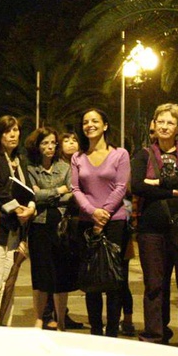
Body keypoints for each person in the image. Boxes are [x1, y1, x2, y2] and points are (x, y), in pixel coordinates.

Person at [131, 103, 178, 346]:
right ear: (154, 124)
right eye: (160, 121)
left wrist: (156, 183)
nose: (164, 126)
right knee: (154, 286)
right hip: (151, 231)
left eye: (170, 122)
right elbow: (137, 186)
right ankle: (154, 336)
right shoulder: (142, 154)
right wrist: (172, 190)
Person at [70, 108, 131, 337]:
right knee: (92, 280)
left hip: (115, 222)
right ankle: (96, 331)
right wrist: (91, 212)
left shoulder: (120, 154)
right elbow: (75, 188)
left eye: (95, 121)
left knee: (114, 280)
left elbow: (121, 187)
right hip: (87, 223)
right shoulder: (78, 157)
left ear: (105, 125)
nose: (90, 125)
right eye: (86, 121)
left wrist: (104, 213)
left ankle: (112, 333)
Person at [0, 115, 35, 326]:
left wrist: (31, 207)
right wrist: (17, 209)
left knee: (10, 281)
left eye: (15, 130)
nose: (13, 135)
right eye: (7, 131)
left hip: (17, 229)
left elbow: (30, 189)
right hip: (0, 227)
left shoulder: (20, 158)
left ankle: (5, 326)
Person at [24, 126, 74, 330]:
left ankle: (61, 320)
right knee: (41, 274)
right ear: (37, 146)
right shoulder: (30, 169)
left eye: (53, 142)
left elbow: (72, 193)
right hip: (39, 226)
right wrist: (58, 190)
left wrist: (45, 193)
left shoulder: (64, 167)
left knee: (61, 274)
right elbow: (32, 195)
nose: (50, 147)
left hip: (61, 225)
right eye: (45, 143)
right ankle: (39, 318)